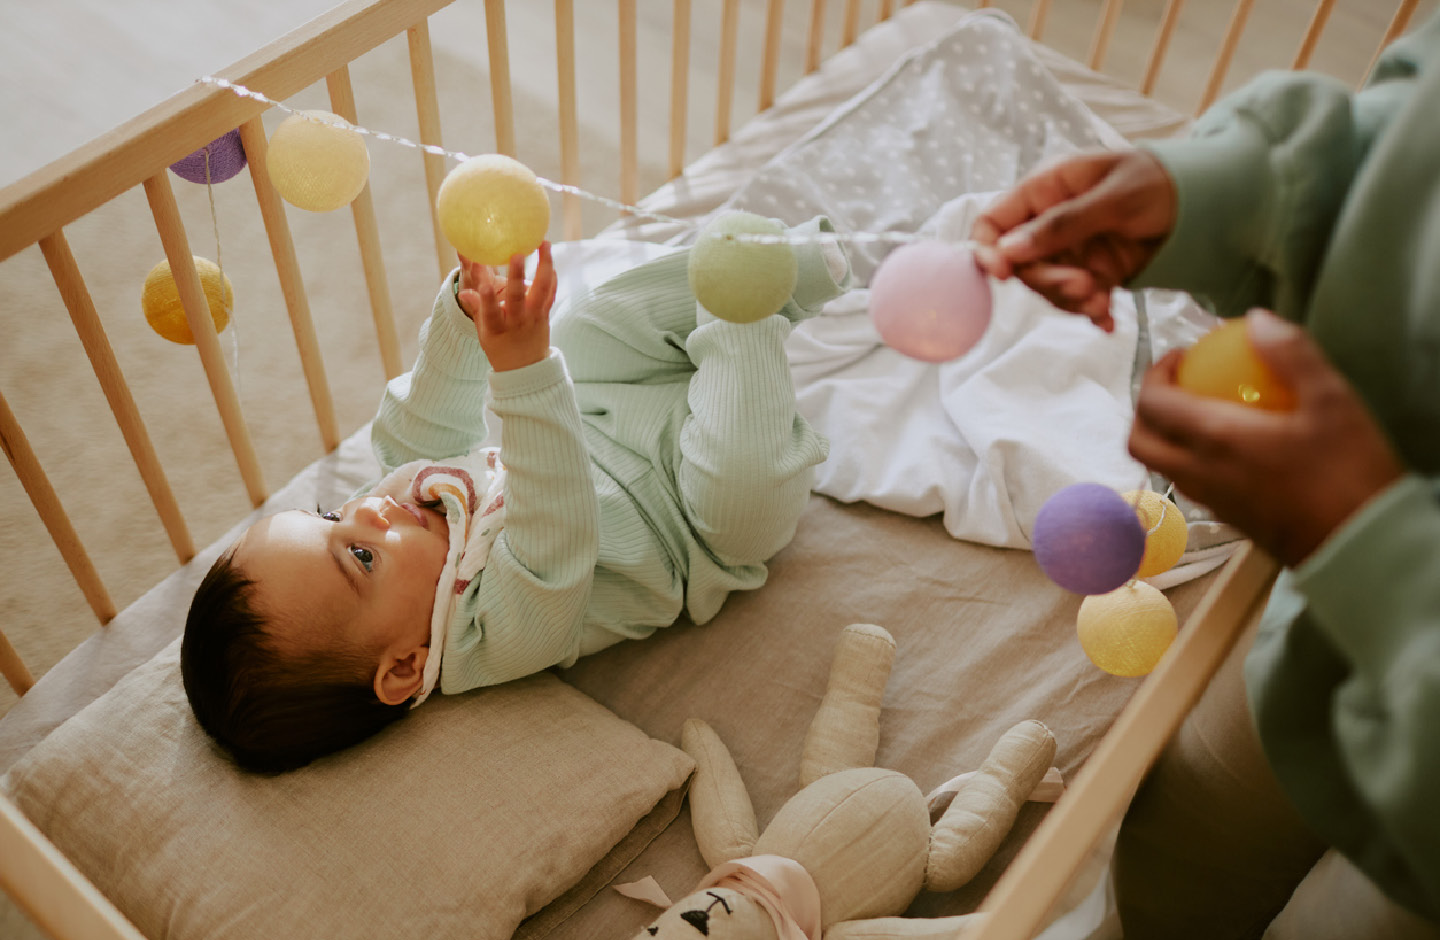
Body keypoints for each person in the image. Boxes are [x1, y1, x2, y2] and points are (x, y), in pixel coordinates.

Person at [971, 12, 1440, 939]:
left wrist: (1367, 536)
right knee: (1182, 833)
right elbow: (1409, 141)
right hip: (1312, 623)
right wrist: (1239, 197)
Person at [181, 218, 852, 774]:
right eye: (358, 557)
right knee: (744, 498)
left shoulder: (397, 513)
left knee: (592, 327)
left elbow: (425, 420)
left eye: (328, 515)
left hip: (601, 410)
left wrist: (468, 311)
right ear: (406, 667)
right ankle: (742, 301)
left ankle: (783, 269)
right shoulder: (492, 636)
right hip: (690, 519)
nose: (366, 509)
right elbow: (556, 529)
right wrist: (524, 371)